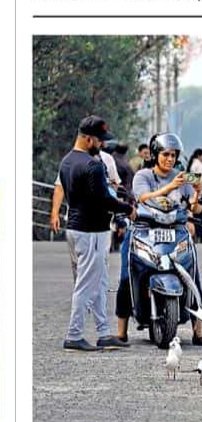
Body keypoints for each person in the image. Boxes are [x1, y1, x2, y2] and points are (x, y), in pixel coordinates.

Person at [115, 132, 202, 346]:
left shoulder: (183, 176)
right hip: (143, 229)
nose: (170, 159)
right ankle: (121, 331)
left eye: (173, 155)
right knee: (126, 277)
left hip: (175, 230)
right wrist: (170, 187)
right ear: (156, 154)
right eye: (165, 154)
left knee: (192, 274)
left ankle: (198, 330)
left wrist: (197, 193)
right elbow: (143, 198)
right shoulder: (144, 176)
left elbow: (196, 208)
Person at [55, 115, 134, 351]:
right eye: (99, 140)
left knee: (99, 282)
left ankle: (103, 332)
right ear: (88, 138)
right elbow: (104, 200)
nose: (102, 144)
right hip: (90, 231)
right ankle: (74, 334)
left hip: (77, 228)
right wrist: (127, 209)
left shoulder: (67, 161)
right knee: (86, 284)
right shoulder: (93, 165)